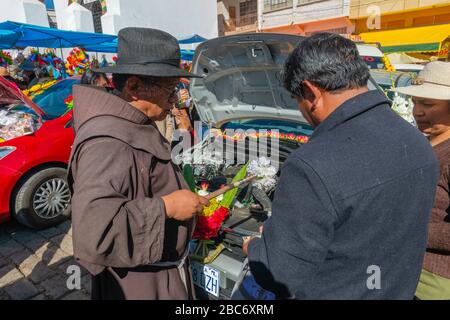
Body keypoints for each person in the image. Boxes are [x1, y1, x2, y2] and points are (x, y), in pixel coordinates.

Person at [243, 33, 439, 299]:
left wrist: (256, 247)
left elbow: (280, 273)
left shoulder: (310, 166)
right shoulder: (417, 142)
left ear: (311, 92)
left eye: (296, 100)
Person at [67, 27, 209, 300]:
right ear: (133, 87)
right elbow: (95, 231)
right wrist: (167, 206)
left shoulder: (134, 122)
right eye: (170, 88)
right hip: (139, 286)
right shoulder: (107, 143)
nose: (175, 98)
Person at [396, 61, 450, 300]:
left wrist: (409, 229)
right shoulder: (422, 146)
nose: (417, 111)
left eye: (428, 104)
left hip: (434, 282)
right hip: (407, 272)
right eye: (415, 101)